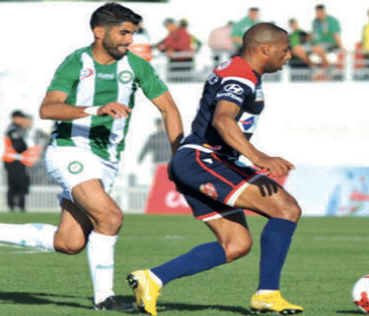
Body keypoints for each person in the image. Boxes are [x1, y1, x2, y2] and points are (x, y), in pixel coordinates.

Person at [0, 2, 184, 311]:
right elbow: (47, 109)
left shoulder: (136, 66)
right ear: (99, 32)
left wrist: (179, 155)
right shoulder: (76, 63)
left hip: (107, 160)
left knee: (69, 243)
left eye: (133, 34)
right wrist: (94, 109)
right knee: (110, 217)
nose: (130, 40)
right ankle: (104, 299)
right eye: (124, 33)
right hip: (70, 151)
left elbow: (168, 107)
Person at [127, 23, 303, 315]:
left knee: (236, 244)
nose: (288, 56)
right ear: (265, 48)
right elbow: (223, 119)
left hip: (199, 161)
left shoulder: (241, 70)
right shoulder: (240, 75)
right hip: (205, 160)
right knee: (286, 209)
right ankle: (268, 294)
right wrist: (257, 156)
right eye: (285, 50)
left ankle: (152, 279)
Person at [2, 110, 35, 212]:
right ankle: (12, 206)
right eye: (21, 118)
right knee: (13, 184)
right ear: (15, 118)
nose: (22, 120)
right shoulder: (12, 130)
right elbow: (19, 146)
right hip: (12, 160)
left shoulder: (20, 129)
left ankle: (21, 205)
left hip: (19, 160)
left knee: (22, 183)